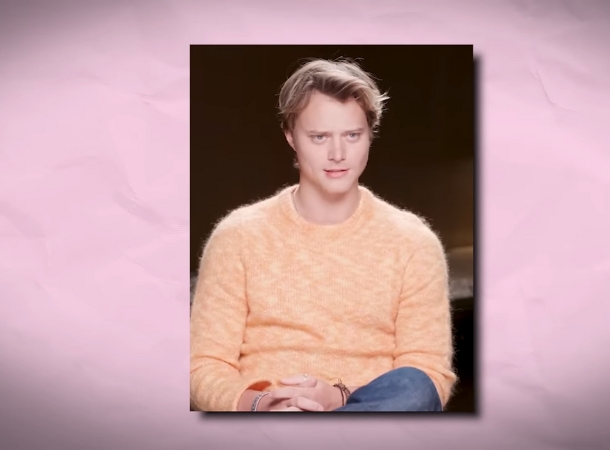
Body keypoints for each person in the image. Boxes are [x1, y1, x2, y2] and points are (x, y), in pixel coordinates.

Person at [190, 57, 456, 412]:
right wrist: (264, 404)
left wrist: (338, 397)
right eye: (319, 137)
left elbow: (430, 377)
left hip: (373, 421)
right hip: (270, 425)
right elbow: (203, 367)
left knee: (415, 384)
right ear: (290, 137)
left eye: (352, 135)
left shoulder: (414, 243)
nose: (337, 154)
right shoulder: (237, 237)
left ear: (369, 135)